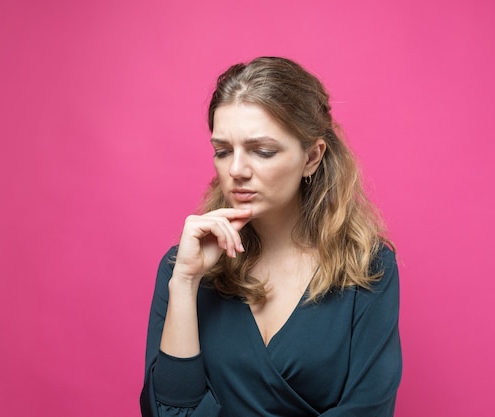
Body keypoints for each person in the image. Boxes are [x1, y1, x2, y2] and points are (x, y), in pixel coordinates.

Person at [140, 56, 402, 417]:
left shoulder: (368, 267)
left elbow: (369, 410)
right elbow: (167, 412)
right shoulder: (182, 268)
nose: (236, 170)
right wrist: (185, 281)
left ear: (311, 157)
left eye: (262, 151)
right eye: (222, 151)